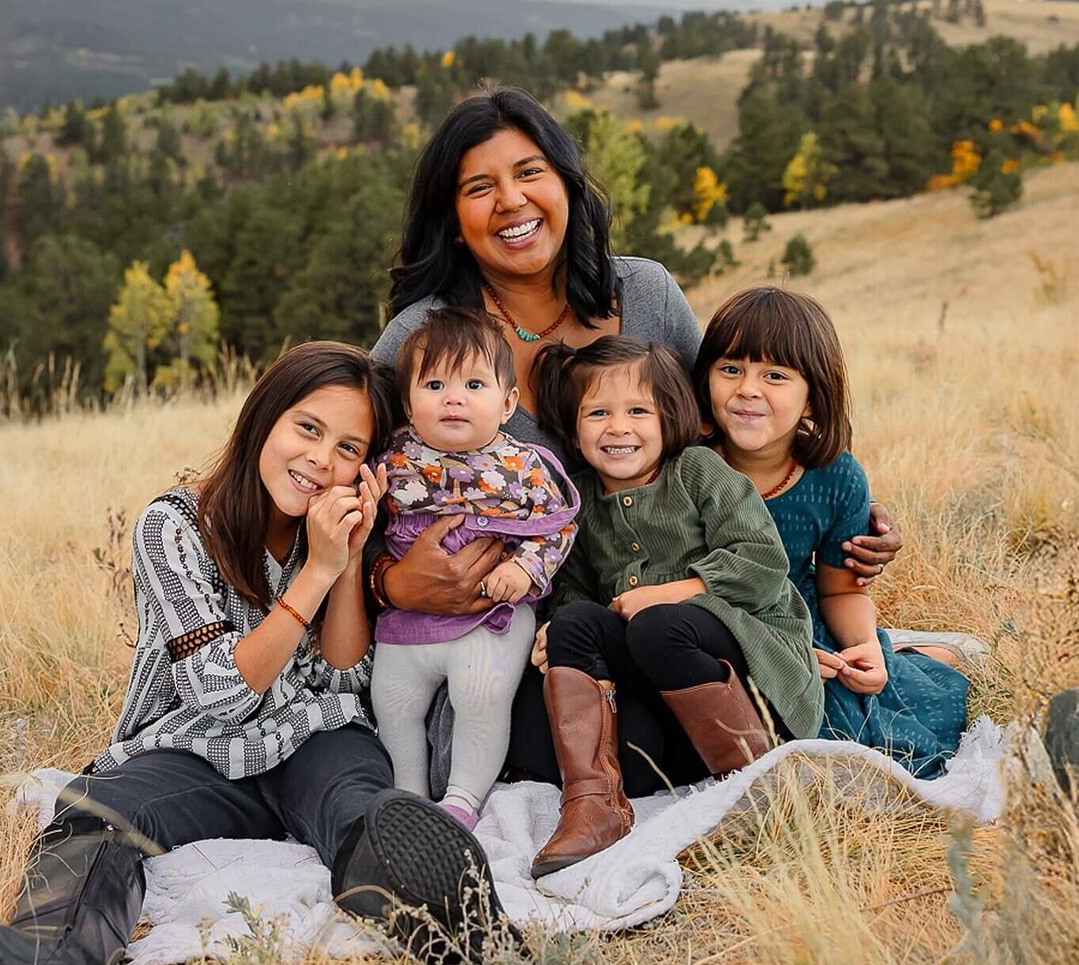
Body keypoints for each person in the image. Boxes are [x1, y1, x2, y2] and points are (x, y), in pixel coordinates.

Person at [0, 343, 512, 965]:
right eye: (308, 428)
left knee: (360, 803)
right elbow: (221, 695)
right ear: (263, 419)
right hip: (198, 745)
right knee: (98, 810)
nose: (323, 460)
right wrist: (313, 576)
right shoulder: (171, 526)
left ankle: (443, 915)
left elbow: (349, 673)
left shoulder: (338, 527)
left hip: (316, 737)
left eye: (350, 448)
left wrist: (344, 559)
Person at [367, 86, 899, 780]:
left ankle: (742, 764)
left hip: (676, 610)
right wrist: (392, 581)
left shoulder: (645, 295)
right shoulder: (423, 339)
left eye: (530, 172)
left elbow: (734, 419)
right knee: (534, 745)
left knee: (646, 675)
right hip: (521, 631)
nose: (511, 201)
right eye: (479, 187)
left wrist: (836, 497)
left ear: (565, 181)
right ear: (451, 215)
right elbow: (353, 474)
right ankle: (710, 766)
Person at [527, 336, 823, 878]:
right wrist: (554, 633)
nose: (618, 427)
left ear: (669, 417)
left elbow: (761, 565)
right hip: (662, 694)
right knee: (575, 624)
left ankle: (760, 791)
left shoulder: (697, 471)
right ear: (574, 430)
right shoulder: (582, 501)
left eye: (638, 410)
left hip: (749, 664)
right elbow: (573, 591)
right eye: (598, 413)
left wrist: (666, 593)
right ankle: (595, 806)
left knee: (657, 626)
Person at [694, 286, 970, 779]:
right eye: (731, 369)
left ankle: (907, 656)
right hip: (705, 628)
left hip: (801, 625)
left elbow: (840, 590)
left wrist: (862, 644)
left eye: (774, 376)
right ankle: (914, 651)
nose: (748, 390)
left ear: (812, 398)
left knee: (868, 724)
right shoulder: (685, 465)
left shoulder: (836, 478)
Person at [370, 306, 580, 829]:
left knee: (481, 695)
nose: (453, 397)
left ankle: (463, 797)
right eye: (435, 383)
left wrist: (529, 569)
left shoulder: (525, 465)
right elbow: (364, 522)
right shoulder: (391, 457)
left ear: (508, 403)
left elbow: (560, 526)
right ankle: (408, 792)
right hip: (408, 616)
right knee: (393, 703)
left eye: (473, 383)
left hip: (493, 609)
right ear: (407, 403)